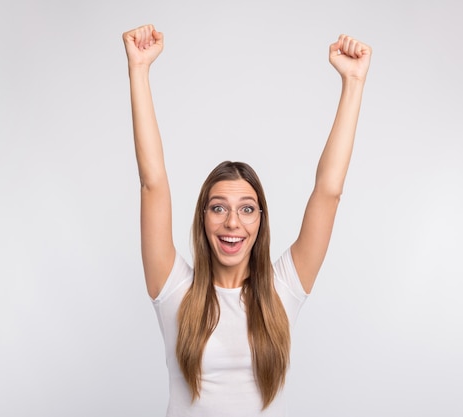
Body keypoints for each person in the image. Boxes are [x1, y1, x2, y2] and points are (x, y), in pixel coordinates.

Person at [122, 23, 371, 417]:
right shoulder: (174, 292)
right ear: (203, 218)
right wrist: (138, 70)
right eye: (218, 207)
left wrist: (353, 82)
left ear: (260, 221)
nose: (232, 222)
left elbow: (328, 192)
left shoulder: (282, 292)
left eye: (247, 208)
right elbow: (152, 183)